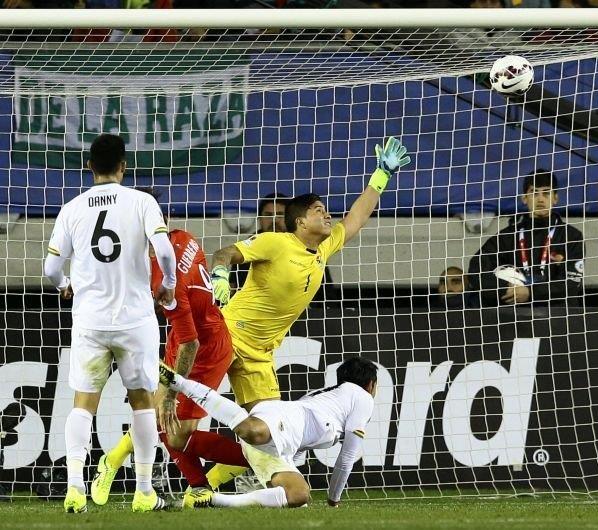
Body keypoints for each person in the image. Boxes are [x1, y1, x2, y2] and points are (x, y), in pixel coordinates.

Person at [203, 136, 409, 492]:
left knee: (268, 433)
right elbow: (223, 253)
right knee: (185, 407)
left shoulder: (323, 248)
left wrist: (381, 176)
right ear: (299, 222)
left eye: (326, 209)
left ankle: (206, 485)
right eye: (318, 211)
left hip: (260, 352)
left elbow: (356, 217)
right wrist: (220, 274)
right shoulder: (276, 242)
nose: (327, 214)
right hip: (227, 333)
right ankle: (116, 463)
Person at [89, 190, 250, 510]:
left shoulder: (165, 278)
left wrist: (175, 391)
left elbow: (190, 340)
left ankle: (257, 455)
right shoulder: (184, 237)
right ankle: (121, 464)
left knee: (173, 430)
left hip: (203, 350)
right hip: (193, 336)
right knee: (157, 417)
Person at [43, 134, 176, 513]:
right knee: (143, 404)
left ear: (90, 166)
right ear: (124, 166)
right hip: (135, 320)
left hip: (91, 320)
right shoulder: (142, 201)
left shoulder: (72, 208)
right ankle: (145, 491)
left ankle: (74, 488)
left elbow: (51, 267)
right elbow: (164, 250)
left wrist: (65, 285)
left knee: (82, 405)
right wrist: (168, 285)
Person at [158, 356, 376, 508]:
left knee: (299, 494)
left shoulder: (325, 396)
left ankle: (211, 499)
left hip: (279, 434)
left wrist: (289, 464)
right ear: (371, 384)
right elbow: (347, 458)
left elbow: (300, 443)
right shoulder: (362, 397)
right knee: (252, 431)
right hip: (280, 423)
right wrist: (333, 499)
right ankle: (179, 382)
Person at [468, 170, 584, 307]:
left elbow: (571, 282)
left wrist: (530, 292)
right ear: (524, 198)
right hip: (515, 318)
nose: (540, 199)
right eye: (534, 193)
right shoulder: (507, 236)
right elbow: (476, 269)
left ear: (555, 198)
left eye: (546, 193)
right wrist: (505, 288)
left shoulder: (571, 236)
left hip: (559, 318)